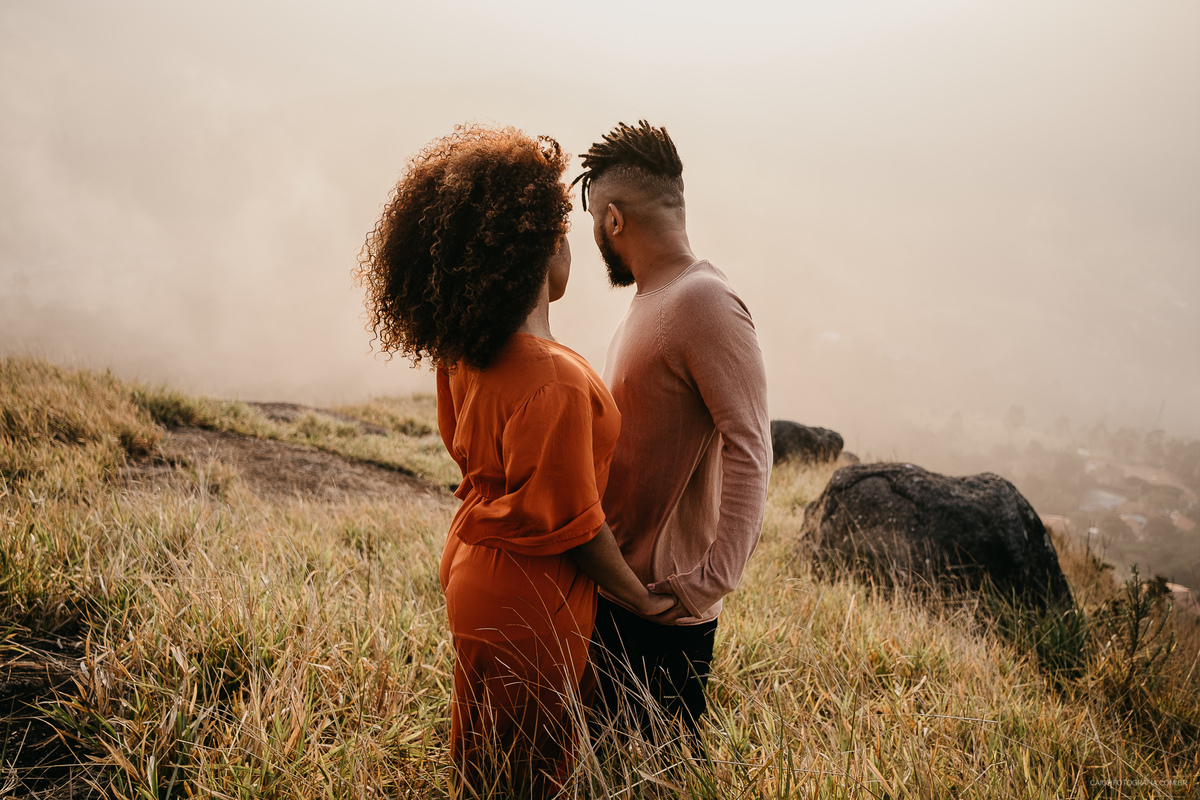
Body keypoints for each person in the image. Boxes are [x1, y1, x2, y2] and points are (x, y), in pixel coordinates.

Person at [355, 125, 673, 797]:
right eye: (562, 233)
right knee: (529, 775)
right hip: (531, 596)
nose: (570, 248)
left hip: (475, 572)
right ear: (539, 248)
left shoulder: (465, 351)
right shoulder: (553, 379)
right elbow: (579, 527)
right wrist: (641, 597)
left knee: (483, 763)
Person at [571, 121, 772, 738]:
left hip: (660, 622)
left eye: (594, 226)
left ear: (613, 220)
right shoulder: (652, 302)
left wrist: (707, 582)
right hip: (620, 598)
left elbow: (751, 445)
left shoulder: (702, 302)